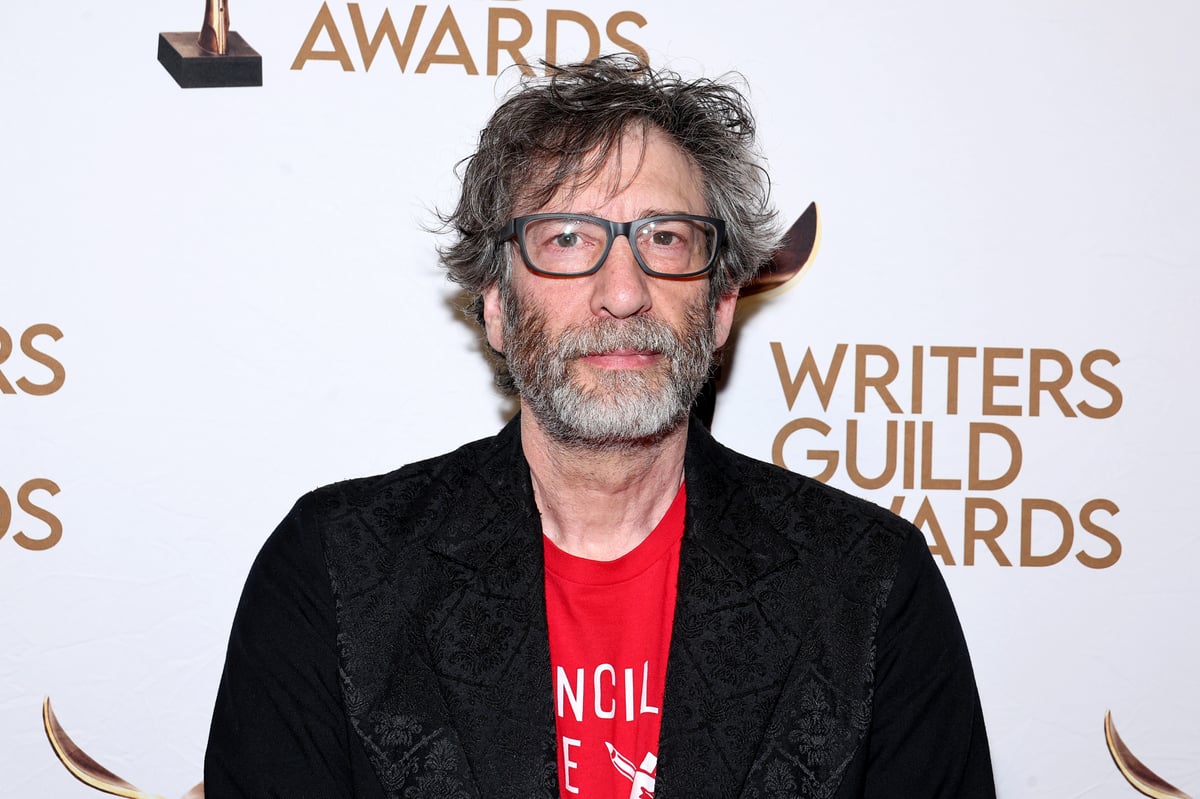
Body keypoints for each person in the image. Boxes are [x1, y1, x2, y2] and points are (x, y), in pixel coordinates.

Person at [204, 54, 994, 798]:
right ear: (496, 303)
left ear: (720, 305)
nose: (623, 291)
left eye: (665, 238)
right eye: (569, 238)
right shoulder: (335, 569)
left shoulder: (868, 585)